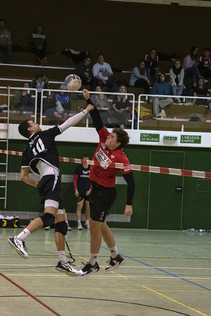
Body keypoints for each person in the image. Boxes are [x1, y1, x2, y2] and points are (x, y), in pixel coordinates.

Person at [8, 101, 95, 276]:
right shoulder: (46, 135)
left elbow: (23, 177)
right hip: (52, 177)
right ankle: (19, 238)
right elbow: (68, 123)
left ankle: (63, 262)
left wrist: (39, 184)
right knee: (48, 217)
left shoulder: (26, 150)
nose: (37, 123)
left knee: (61, 224)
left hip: (44, 181)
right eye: (34, 123)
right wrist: (86, 110)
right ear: (30, 129)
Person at [80, 88, 135, 275]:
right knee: (101, 225)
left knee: (94, 227)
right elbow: (97, 120)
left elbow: (131, 182)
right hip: (95, 189)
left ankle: (93, 263)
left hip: (105, 194)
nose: (108, 136)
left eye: (112, 136)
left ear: (118, 143)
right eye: (110, 134)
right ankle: (115, 257)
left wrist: (129, 204)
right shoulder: (103, 139)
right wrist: (89, 100)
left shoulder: (121, 158)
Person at [74, 154, 91, 230]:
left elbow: (93, 180)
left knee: (88, 207)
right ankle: (79, 224)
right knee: (79, 206)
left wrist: (90, 190)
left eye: (86, 159)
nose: (85, 160)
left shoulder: (91, 168)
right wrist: (76, 189)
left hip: (88, 191)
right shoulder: (79, 168)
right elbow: (75, 179)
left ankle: (87, 223)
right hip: (80, 190)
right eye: (83, 159)